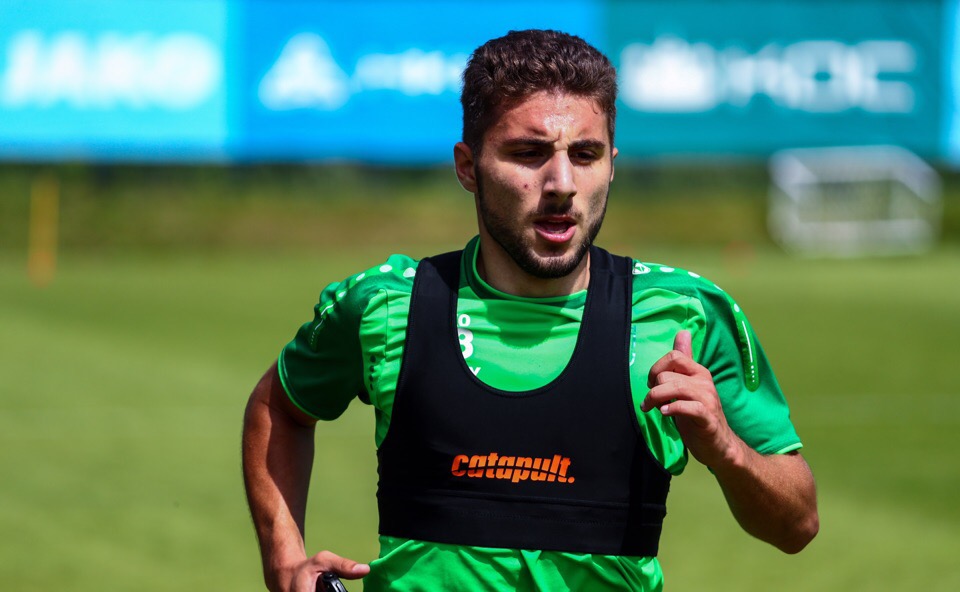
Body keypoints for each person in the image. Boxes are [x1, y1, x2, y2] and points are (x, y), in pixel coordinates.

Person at [242, 29, 819, 592]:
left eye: (585, 155)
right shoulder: (388, 304)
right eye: (529, 153)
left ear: (612, 165)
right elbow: (280, 406)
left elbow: (797, 525)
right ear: (468, 167)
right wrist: (284, 559)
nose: (562, 183)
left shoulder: (683, 314)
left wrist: (726, 448)